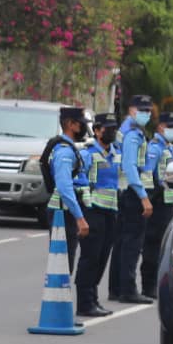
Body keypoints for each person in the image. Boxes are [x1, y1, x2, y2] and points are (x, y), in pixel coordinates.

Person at [111, 94, 156, 305]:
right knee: (132, 243)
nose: (146, 114)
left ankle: (117, 288)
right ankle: (127, 290)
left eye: (148, 111)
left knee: (122, 242)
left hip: (124, 191)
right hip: (133, 193)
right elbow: (130, 166)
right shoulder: (133, 135)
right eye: (142, 110)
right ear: (131, 110)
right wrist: (144, 197)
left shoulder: (125, 130)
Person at [76, 114, 120, 319]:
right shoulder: (87, 154)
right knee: (90, 258)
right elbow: (79, 178)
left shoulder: (115, 153)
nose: (111, 132)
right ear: (97, 130)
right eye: (107, 128)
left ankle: (93, 299)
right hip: (92, 211)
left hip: (110, 212)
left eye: (114, 128)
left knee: (102, 257)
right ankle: (85, 302)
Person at [44, 106, 89, 283]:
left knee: (64, 262)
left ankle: (59, 301)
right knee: (62, 263)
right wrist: (79, 217)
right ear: (70, 124)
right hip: (62, 212)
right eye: (81, 124)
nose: (83, 128)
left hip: (63, 210)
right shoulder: (64, 150)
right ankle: (57, 303)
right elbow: (64, 186)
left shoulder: (68, 147)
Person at [141, 110, 173, 298]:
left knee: (163, 245)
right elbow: (148, 174)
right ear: (160, 127)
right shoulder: (155, 147)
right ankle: (148, 286)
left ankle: (157, 284)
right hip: (157, 201)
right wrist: (150, 197)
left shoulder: (169, 147)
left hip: (168, 201)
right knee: (152, 244)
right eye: (170, 126)